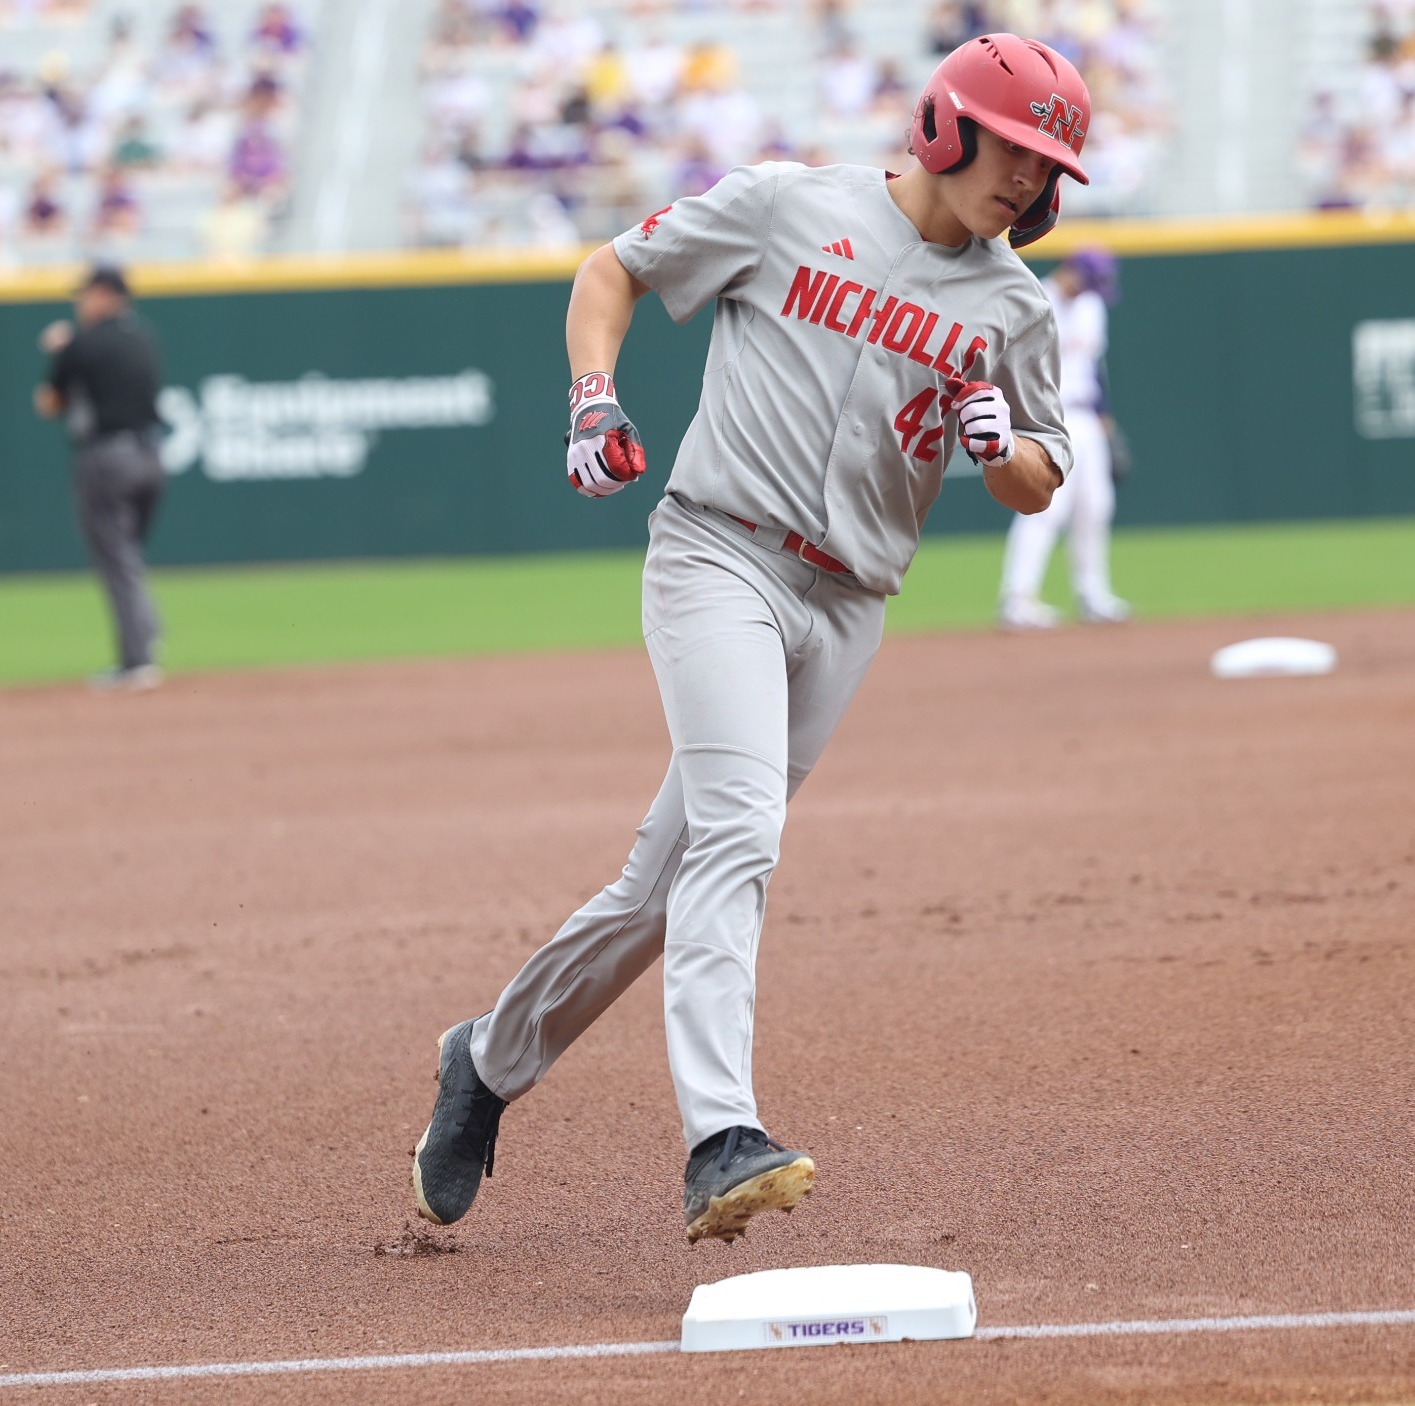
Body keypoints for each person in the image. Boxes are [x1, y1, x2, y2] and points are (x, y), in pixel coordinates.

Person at [411, 34, 1087, 1245]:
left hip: (850, 608)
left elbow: (1042, 477)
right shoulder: (787, 206)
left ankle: (486, 1058)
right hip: (718, 553)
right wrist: (592, 399)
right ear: (947, 122)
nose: (1031, 184)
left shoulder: (1011, 306)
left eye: (1050, 170)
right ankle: (721, 1134)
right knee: (740, 832)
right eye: (1020, 150)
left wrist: (1007, 451)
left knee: (658, 889)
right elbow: (608, 272)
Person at [36, 264, 169, 689]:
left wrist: (61, 353)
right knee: (127, 555)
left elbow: (49, 404)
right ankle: (147, 633)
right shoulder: (144, 336)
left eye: (86, 294)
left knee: (117, 560)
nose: (80, 302)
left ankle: (138, 660)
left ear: (106, 294)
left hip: (108, 461)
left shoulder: (83, 344)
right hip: (151, 456)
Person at [998, 246, 1129, 628]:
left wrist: (1105, 419)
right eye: (1087, 282)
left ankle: (1093, 594)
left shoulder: (1091, 306)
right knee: (1044, 510)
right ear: (1070, 270)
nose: (1090, 290)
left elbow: (1093, 367)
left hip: (1086, 415)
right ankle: (1018, 599)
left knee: (1097, 506)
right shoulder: (1035, 299)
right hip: (1049, 417)